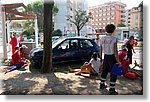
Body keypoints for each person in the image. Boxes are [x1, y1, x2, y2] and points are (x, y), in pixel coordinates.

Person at [99, 24, 120, 95]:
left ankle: (102, 84)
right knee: (113, 72)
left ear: (106, 30)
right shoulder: (114, 39)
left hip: (105, 56)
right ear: (113, 30)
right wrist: (118, 61)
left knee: (104, 70)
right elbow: (115, 51)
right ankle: (112, 89)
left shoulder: (102, 38)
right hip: (112, 57)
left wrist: (101, 59)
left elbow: (100, 49)